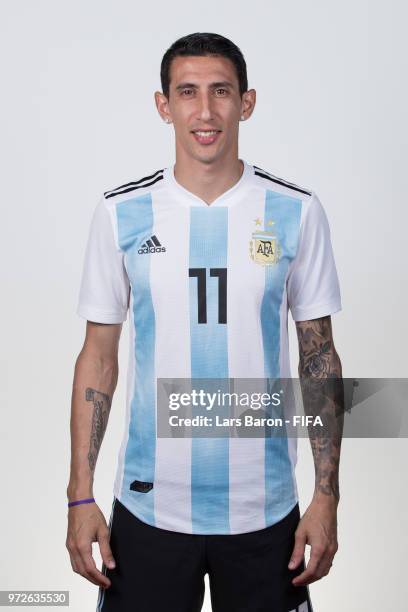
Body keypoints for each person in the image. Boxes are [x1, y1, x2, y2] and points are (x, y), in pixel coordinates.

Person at [66, 32, 344, 612]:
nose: (205, 111)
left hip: (265, 511)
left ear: (247, 102)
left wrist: (325, 498)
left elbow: (318, 357)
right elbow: (98, 356)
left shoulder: (294, 210)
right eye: (187, 92)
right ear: (163, 106)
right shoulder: (122, 213)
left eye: (221, 91)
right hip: (149, 508)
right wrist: (79, 496)